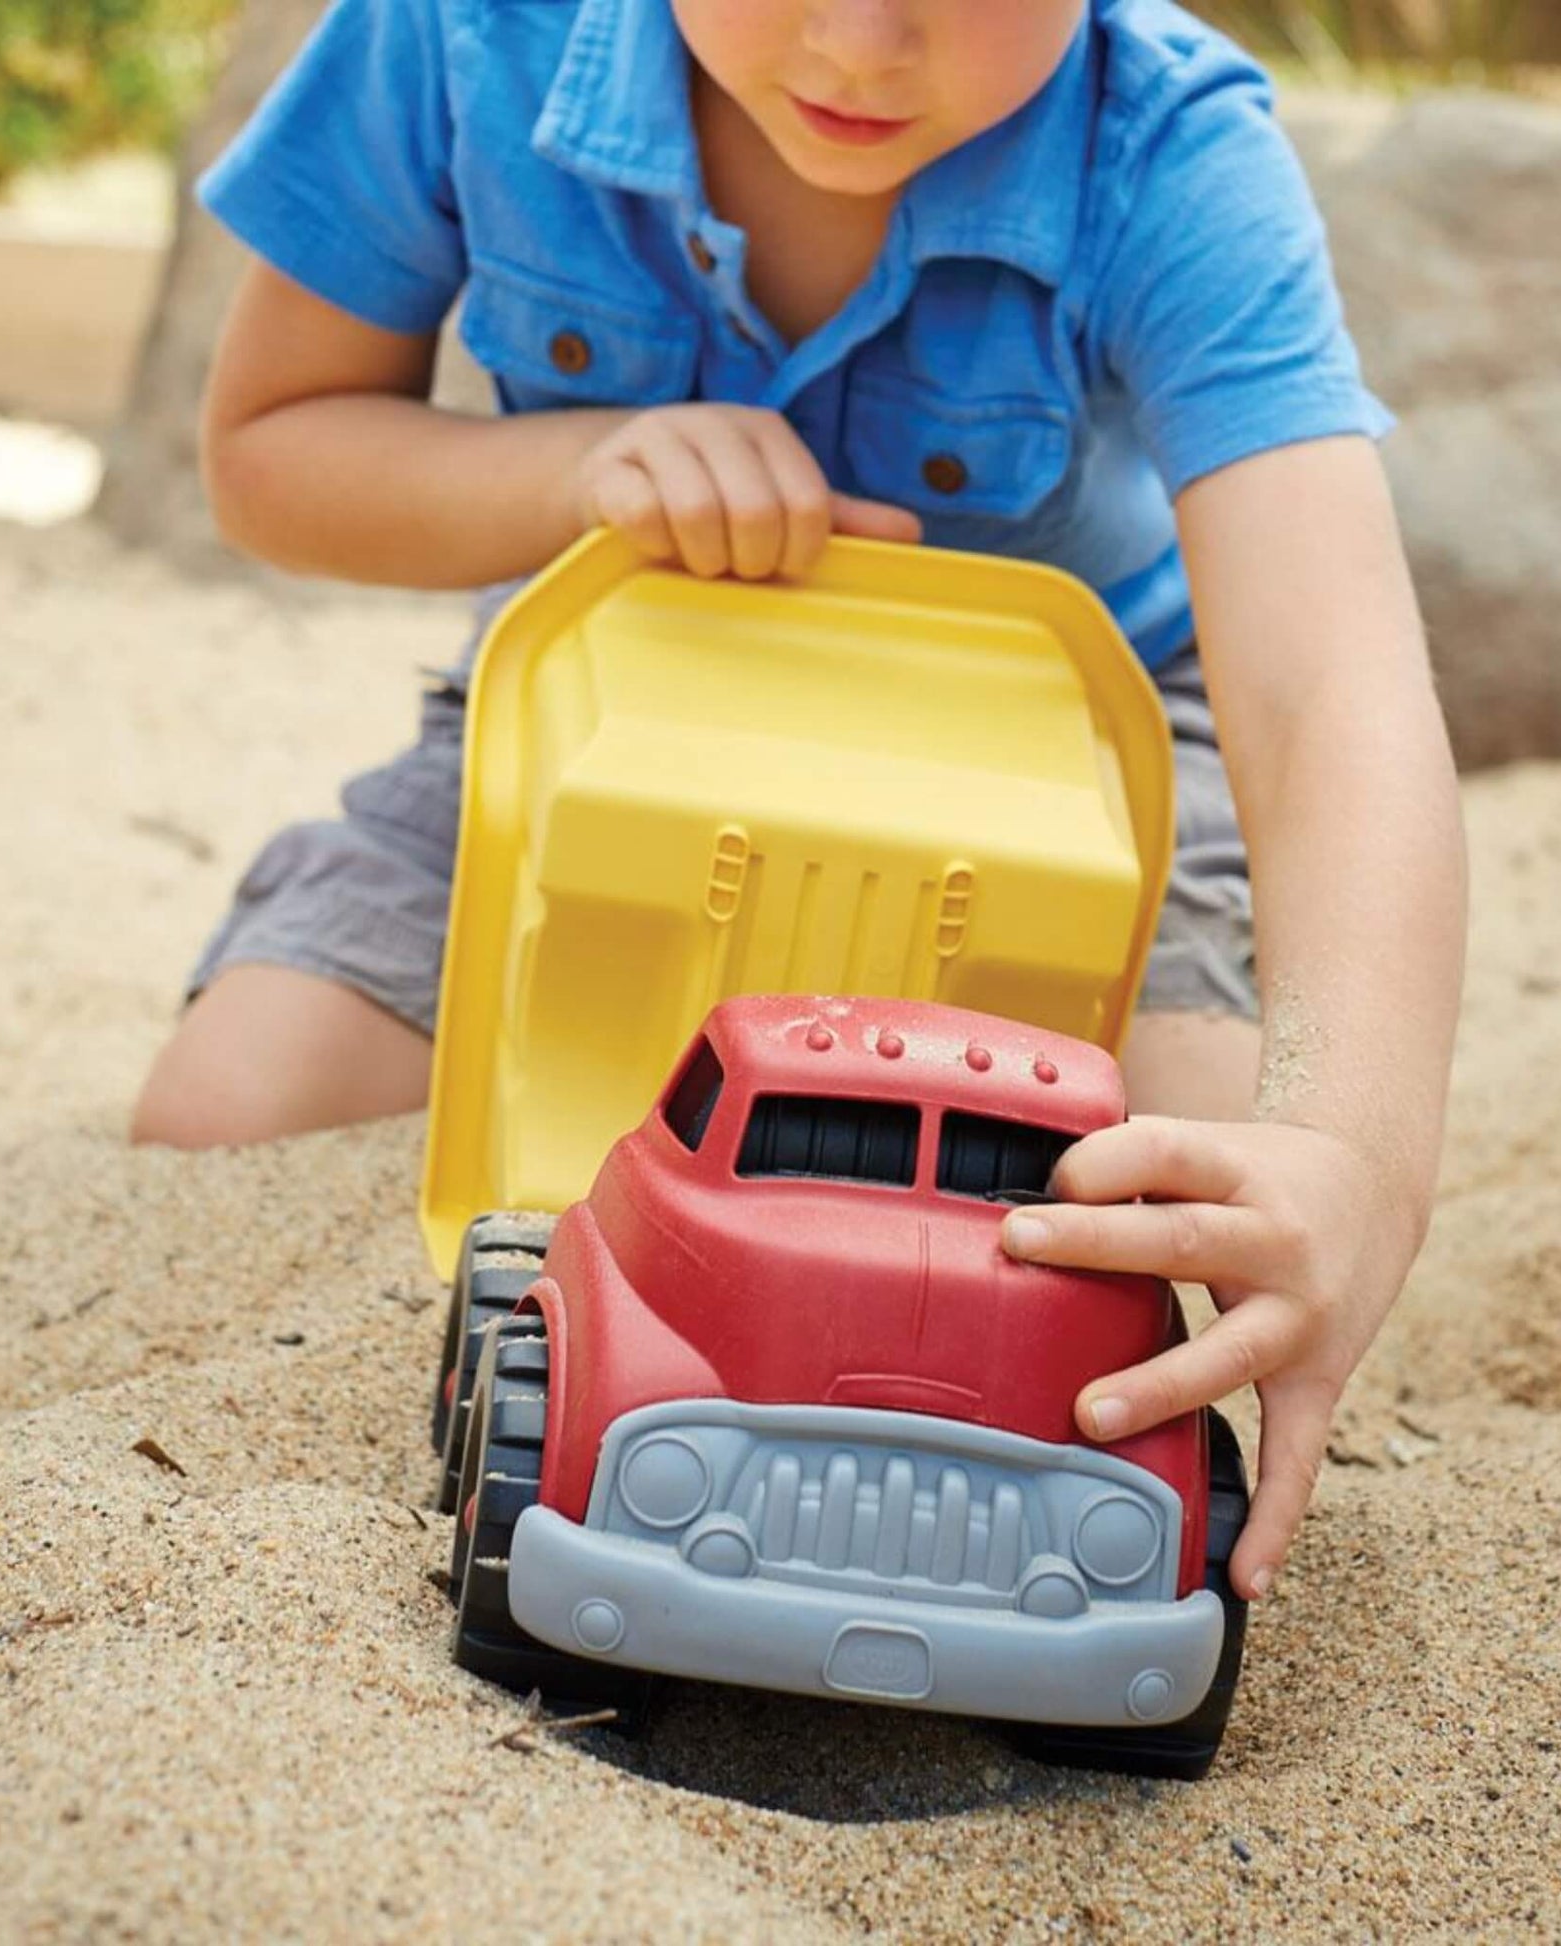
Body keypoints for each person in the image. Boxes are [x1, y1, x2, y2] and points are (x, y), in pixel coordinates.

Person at [132, 0, 1466, 1606]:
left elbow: (1334, 690)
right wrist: (582, 468)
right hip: (615, 716)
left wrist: (1349, 1153)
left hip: (1051, 780)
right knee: (224, 1115)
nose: (856, 45)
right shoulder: (458, 37)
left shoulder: (1165, 147)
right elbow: (268, 450)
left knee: (1185, 1219)